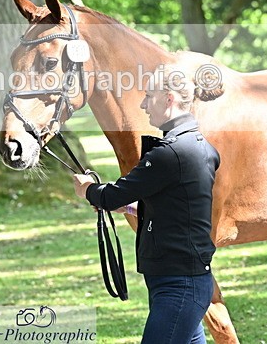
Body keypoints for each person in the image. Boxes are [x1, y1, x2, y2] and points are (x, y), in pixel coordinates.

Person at [73, 66, 220, 344]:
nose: (143, 104)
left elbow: (112, 196)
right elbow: (178, 206)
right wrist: (130, 207)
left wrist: (87, 189)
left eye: (149, 96)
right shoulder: (199, 147)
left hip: (179, 286)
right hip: (181, 282)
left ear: (168, 99)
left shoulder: (171, 153)